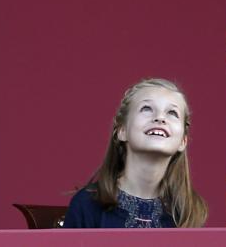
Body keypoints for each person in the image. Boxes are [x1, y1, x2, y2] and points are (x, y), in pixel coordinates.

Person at [64, 78, 207, 228]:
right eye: (146, 108)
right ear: (122, 131)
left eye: (172, 112)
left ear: (183, 141)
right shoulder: (86, 204)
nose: (160, 118)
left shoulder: (188, 213)